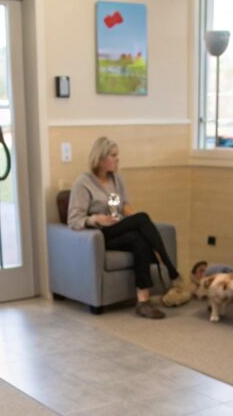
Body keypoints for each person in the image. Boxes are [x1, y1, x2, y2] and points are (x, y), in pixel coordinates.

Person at [67, 136, 184, 318]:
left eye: (117, 155)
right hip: (101, 234)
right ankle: (170, 269)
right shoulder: (83, 183)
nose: (117, 159)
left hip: (118, 227)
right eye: (113, 155)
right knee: (143, 217)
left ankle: (143, 302)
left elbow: (123, 207)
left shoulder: (116, 180)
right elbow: (74, 219)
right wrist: (96, 218)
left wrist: (136, 222)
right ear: (100, 157)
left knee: (139, 240)